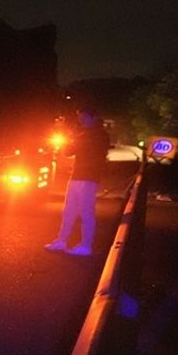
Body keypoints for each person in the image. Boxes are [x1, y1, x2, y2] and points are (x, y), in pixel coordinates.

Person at [45, 106, 110, 256]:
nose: (81, 121)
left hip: (89, 178)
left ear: (93, 117)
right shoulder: (84, 133)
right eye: (80, 118)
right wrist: (74, 139)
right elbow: (68, 152)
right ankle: (61, 241)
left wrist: (75, 139)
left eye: (83, 118)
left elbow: (79, 150)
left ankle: (86, 246)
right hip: (77, 176)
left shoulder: (99, 135)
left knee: (86, 212)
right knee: (69, 211)